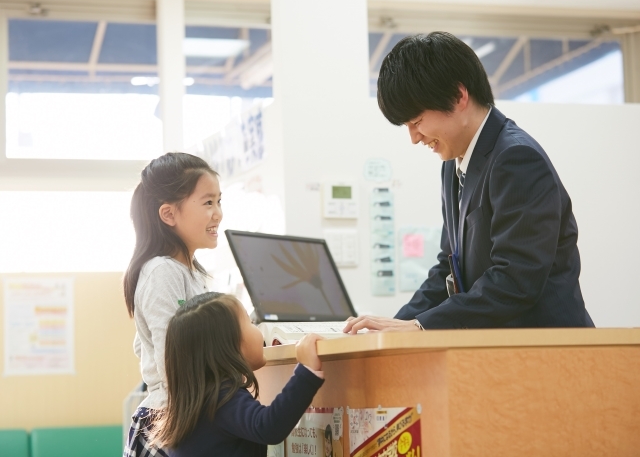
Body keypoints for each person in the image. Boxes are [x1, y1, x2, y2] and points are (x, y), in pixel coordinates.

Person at [344, 31, 593, 333]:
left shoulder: (517, 158)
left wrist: (420, 326)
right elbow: (447, 269)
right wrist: (391, 327)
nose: (414, 138)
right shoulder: (453, 165)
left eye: (417, 121)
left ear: (458, 96)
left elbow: (516, 280)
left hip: (550, 350)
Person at [122, 152, 223, 456]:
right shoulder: (161, 272)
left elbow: (143, 345)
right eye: (208, 203)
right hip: (170, 420)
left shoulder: (192, 274)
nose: (218, 213)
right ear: (169, 214)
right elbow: (171, 360)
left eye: (219, 201)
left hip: (183, 415)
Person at [152, 292, 325, 457]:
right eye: (251, 322)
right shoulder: (220, 400)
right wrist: (306, 371)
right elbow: (268, 427)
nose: (258, 329)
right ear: (230, 345)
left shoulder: (196, 404)